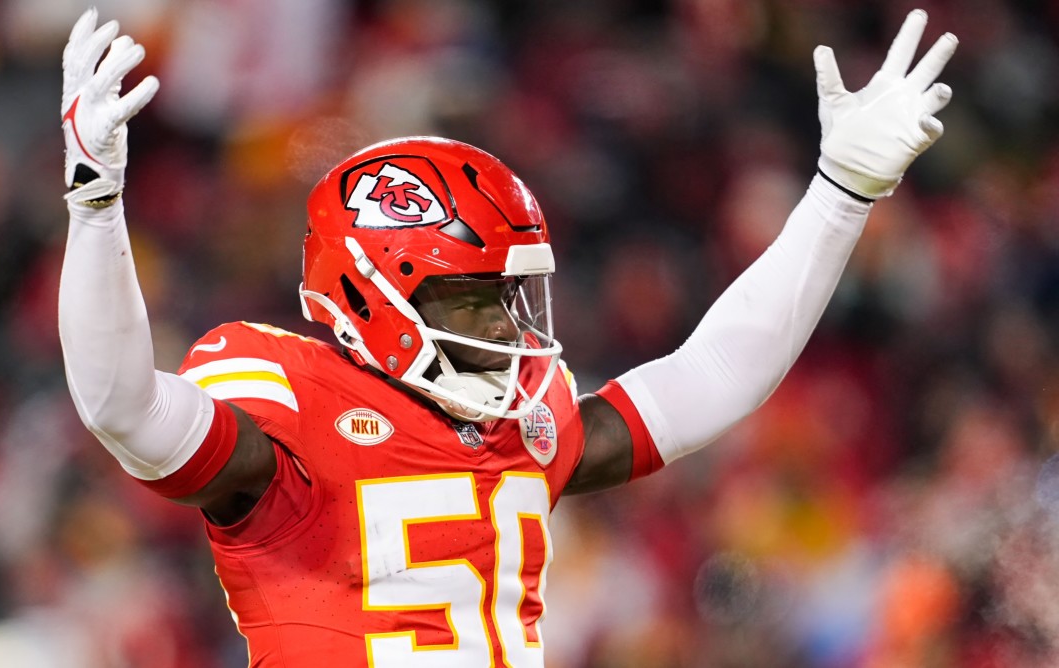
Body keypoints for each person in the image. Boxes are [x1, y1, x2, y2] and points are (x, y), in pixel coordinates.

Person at [57, 7, 957, 667]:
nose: (506, 325)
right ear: (369, 295)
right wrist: (95, 205)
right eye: (471, 297)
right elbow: (119, 406)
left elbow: (713, 372)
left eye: (511, 294)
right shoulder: (289, 401)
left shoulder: (527, 420)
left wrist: (841, 193)